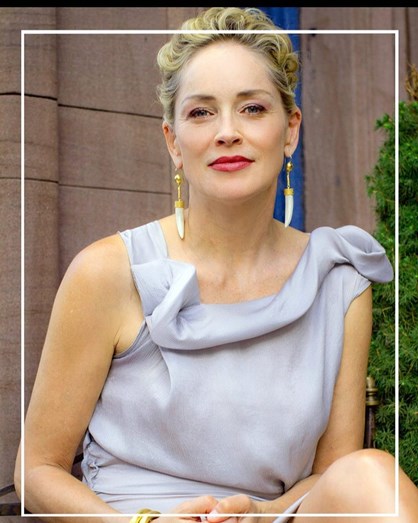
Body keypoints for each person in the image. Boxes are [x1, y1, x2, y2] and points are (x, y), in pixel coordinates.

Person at [14, 7, 418, 523]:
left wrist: (260, 511)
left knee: (371, 475)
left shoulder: (340, 281)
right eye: (202, 112)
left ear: (290, 131)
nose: (227, 132)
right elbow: (37, 469)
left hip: (273, 518)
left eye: (252, 108)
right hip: (133, 521)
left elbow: (332, 476)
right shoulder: (109, 272)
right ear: (173, 141)